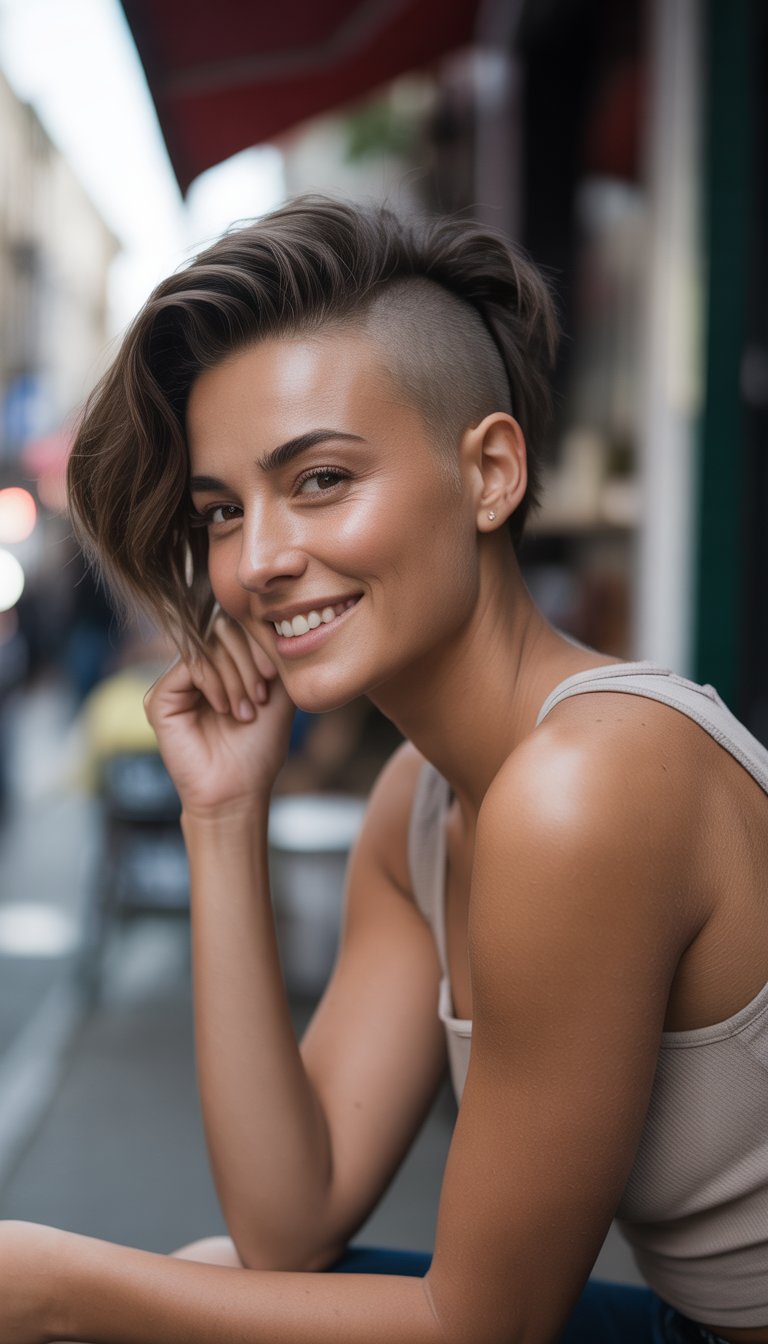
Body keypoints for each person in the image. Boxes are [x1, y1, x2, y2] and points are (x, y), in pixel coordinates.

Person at [3, 197, 765, 1344]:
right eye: (222, 510)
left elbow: (486, 1327)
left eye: (318, 480)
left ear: (492, 472)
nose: (256, 561)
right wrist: (223, 812)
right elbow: (288, 1222)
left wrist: (59, 1290)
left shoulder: (588, 788)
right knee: (222, 1277)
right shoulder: (423, 799)